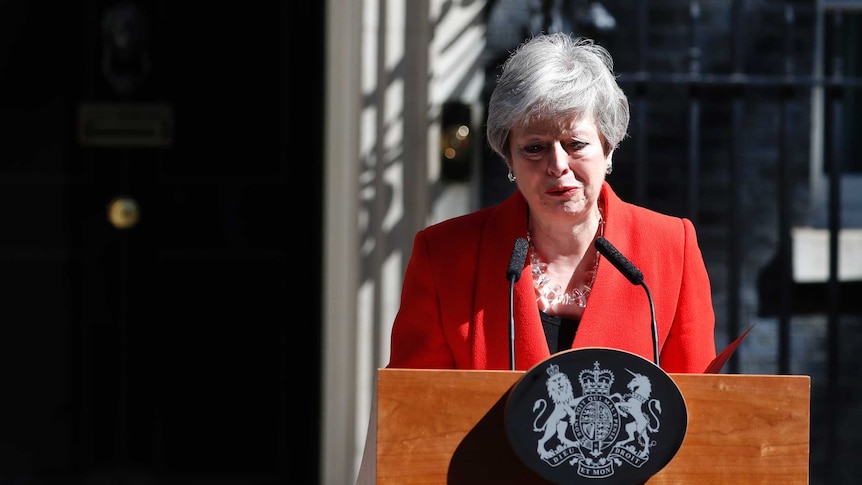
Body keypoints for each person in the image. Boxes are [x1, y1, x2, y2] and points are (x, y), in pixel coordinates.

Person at [387, 32, 716, 373]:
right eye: (534, 148)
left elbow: (701, 411)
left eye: (575, 143)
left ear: (608, 147)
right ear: (509, 159)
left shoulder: (671, 248)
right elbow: (415, 412)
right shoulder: (444, 255)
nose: (557, 165)